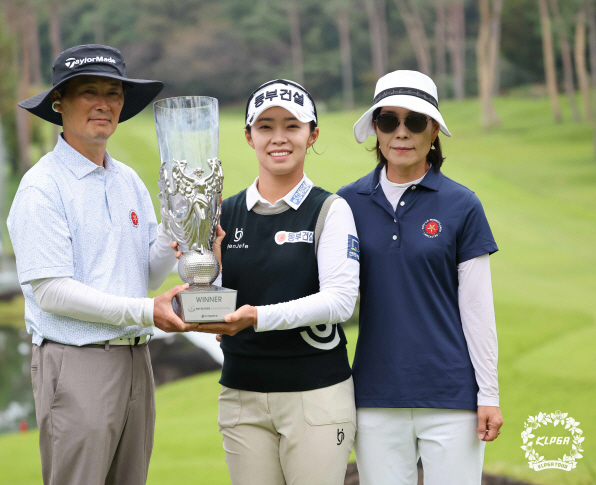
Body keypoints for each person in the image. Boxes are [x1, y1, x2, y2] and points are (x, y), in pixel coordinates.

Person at [7, 44, 195, 485]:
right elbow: (51, 291)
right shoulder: (42, 187)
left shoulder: (128, 180)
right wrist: (148, 312)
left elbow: (144, 273)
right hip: (76, 362)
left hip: (135, 361)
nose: (104, 103)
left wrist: (180, 232)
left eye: (113, 93)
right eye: (88, 91)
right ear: (59, 104)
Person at [186, 79, 360, 485]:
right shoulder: (222, 214)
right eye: (265, 126)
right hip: (241, 396)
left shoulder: (330, 210)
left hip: (316, 395)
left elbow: (339, 302)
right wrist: (203, 275)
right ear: (248, 137)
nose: (278, 138)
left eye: (291, 125)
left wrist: (256, 317)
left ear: (312, 134)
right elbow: (214, 306)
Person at [337, 70, 503, 484]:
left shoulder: (462, 204)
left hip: (451, 398)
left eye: (415, 121)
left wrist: (489, 394)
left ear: (433, 131)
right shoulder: (345, 204)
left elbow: (478, 308)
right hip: (374, 396)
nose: (401, 133)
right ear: (376, 130)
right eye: (388, 121)